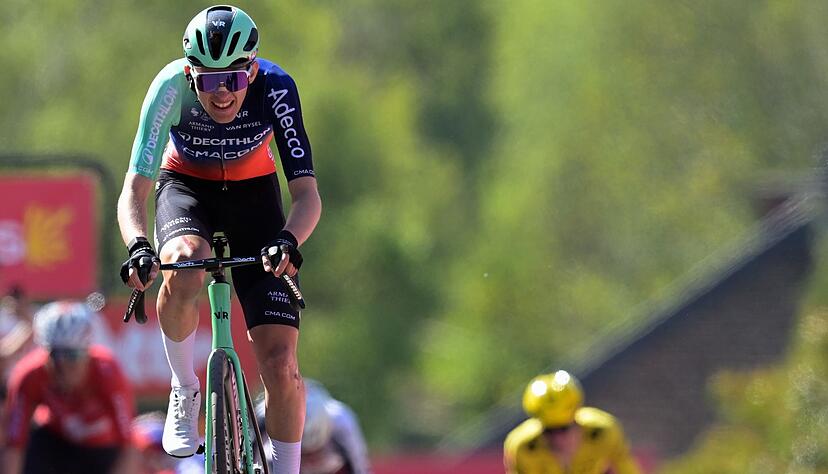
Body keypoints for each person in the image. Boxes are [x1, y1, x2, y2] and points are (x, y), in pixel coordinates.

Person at [116, 4, 321, 473]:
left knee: (280, 362)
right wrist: (138, 247)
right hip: (187, 187)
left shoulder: (277, 88)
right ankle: (184, 386)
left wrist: (288, 240)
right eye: (209, 81)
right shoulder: (169, 88)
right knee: (184, 262)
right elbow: (135, 190)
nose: (223, 92)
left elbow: (308, 195)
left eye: (234, 78)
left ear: (253, 69)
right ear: (191, 75)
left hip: (255, 198)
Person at [1, 301, 136, 474]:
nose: (64, 365)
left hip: (101, 450)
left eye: (73, 355)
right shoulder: (29, 375)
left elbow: (129, 446)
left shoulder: (108, 372)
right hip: (56, 442)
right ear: (45, 353)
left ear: (87, 352)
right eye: (56, 355)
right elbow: (14, 446)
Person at [504, 370, 642, 474]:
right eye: (549, 431)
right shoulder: (523, 447)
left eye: (564, 429)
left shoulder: (603, 431)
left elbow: (627, 469)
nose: (558, 438)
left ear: (577, 421)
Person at [256, 379, 373, 474]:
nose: (311, 460)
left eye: (315, 451)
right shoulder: (266, 416)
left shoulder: (343, 421)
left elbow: (360, 467)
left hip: (334, 467)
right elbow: (253, 460)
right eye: (306, 453)